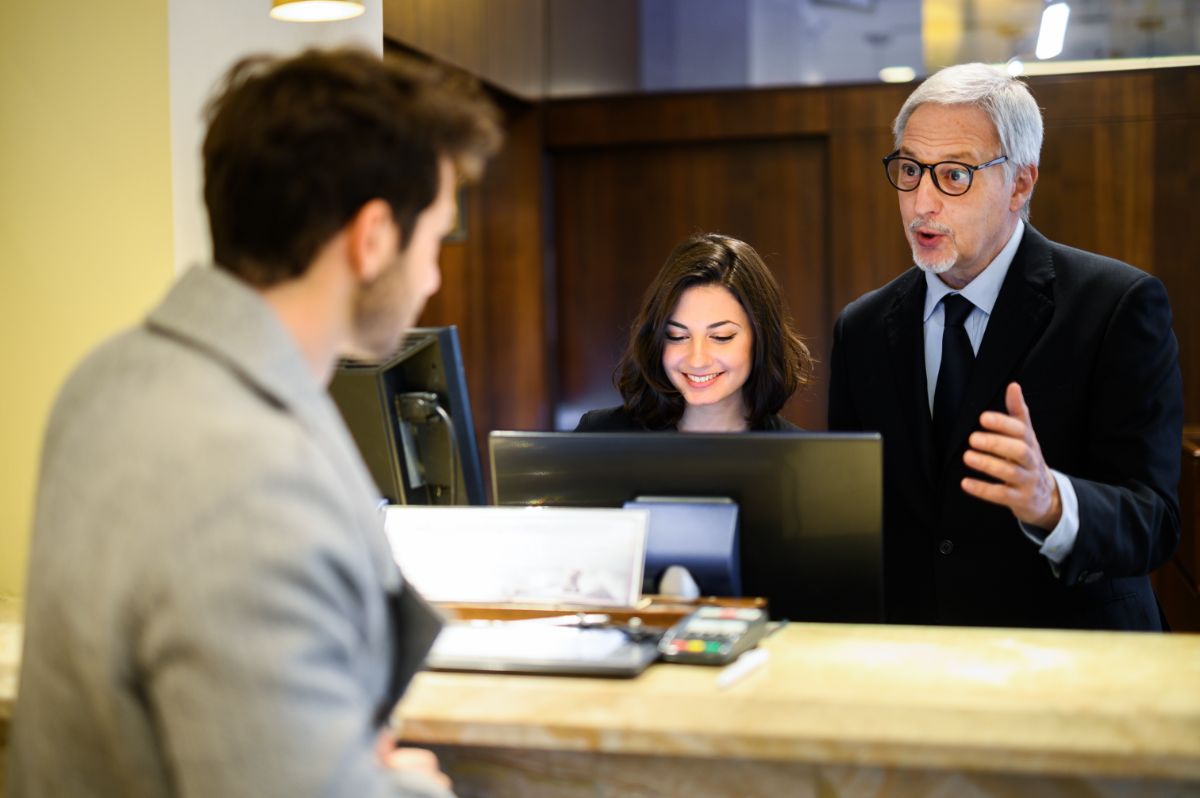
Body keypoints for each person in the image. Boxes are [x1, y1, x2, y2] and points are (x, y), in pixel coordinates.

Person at [9, 49, 501, 797]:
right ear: (371, 240)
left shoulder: (104, 379)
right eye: (434, 235)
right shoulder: (252, 472)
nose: (433, 276)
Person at [828, 63, 1182, 630]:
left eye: (954, 176)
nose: (922, 202)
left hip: (1072, 655)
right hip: (919, 663)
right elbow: (855, 517)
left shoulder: (1116, 306)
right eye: (911, 169)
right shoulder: (863, 328)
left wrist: (1052, 501)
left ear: (1019, 183)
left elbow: (1154, 522)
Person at [576, 233, 812, 433]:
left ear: (761, 340)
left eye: (721, 337)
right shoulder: (600, 435)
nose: (697, 359)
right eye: (678, 337)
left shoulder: (803, 459)